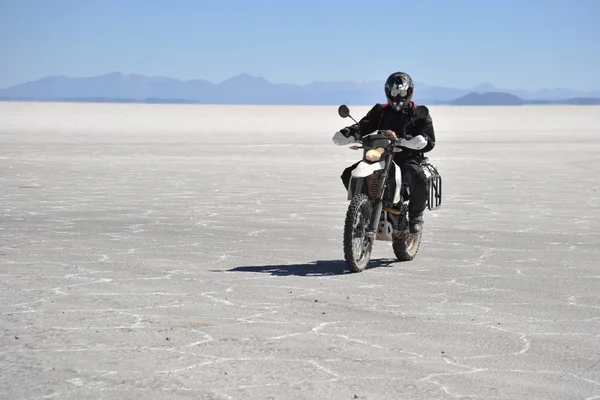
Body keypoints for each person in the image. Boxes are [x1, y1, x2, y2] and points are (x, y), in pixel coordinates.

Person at [335, 71, 436, 234]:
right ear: (387, 92)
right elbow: (364, 125)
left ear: (409, 92)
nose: (397, 97)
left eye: (401, 93)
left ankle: (416, 216)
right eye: (394, 93)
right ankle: (363, 207)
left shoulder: (418, 113)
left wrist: (415, 140)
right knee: (349, 174)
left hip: (406, 156)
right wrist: (350, 132)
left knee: (417, 176)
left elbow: (429, 139)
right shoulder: (380, 110)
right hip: (380, 154)